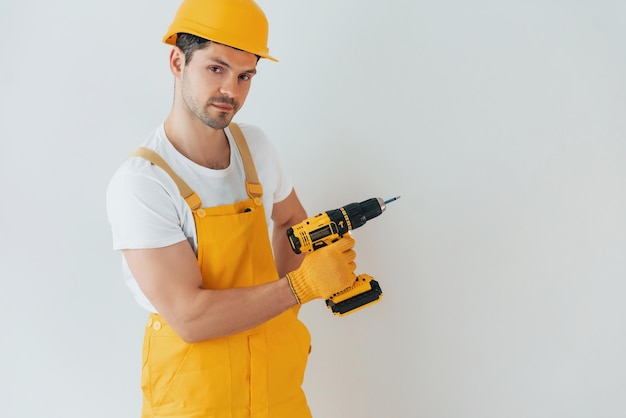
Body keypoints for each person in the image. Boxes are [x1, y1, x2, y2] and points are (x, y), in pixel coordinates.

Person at [106, 0, 358, 416]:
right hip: (197, 400)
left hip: (277, 390)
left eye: (245, 76)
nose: (232, 91)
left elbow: (293, 222)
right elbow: (190, 318)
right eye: (216, 68)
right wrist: (299, 287)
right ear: (176, 61)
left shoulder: (254, 147)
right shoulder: (143, 184)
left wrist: (319, 259)